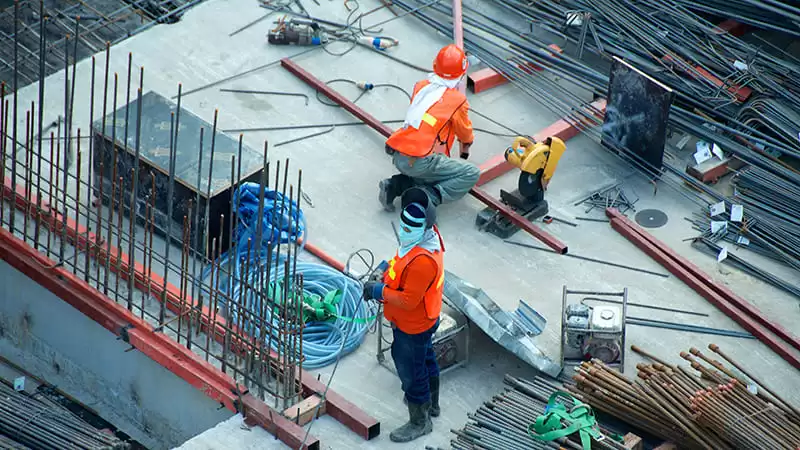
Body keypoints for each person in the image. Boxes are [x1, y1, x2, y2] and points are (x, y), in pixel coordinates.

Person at [363, 188, 445, 443]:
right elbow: (401, 262)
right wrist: (385, 270)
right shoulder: (422, 241)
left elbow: (409, 300)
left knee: (411, 371)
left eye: (411, 226)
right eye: (404, 224)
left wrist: (379, 290)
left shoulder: (423, 261)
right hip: (422, 321)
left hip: (413, 324)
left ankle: (420, 421)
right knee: (425, 359)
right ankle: (431, 404)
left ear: (425, 226)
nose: (405, 229)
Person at [379, 44, 480, 211]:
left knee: (430, 169)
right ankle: (427, 196)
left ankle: (394, 186)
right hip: (420, 160)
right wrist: (467, 145)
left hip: (399, 153)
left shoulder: (422, 86)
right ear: (462, 74)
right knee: (470, 173)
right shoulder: (457, 100)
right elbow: (464, 133)